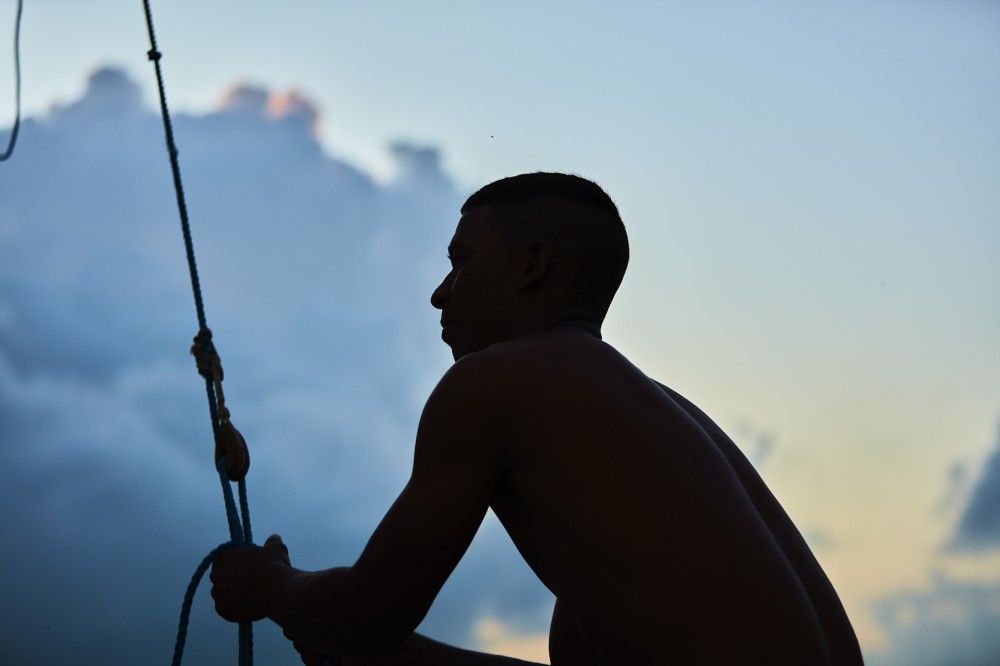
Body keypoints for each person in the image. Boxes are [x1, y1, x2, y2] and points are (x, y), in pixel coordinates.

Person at [211, 172, 864, 665]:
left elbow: (366, 614)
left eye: (461, 261)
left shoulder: (494, 383)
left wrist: (274, 587)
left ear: (530, 266)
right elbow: (363, 631)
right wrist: (313, 615)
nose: (440, 292)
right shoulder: (654, 436)